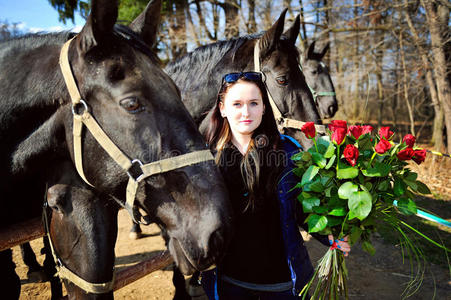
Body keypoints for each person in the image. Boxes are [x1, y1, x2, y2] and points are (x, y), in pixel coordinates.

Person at [200, 71, 350, 300]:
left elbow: (303, 207)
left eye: (253, 103)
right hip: (228, 282)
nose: (246, 112)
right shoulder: (207, 158)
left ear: (264, 107)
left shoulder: (288, 151)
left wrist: (328, 234)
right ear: (222, 108)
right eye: (237, 104)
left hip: (281, 283)